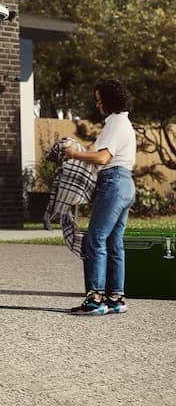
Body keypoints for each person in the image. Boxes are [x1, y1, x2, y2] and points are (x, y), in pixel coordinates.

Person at [63, 80, 136, 315]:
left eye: (99, 99)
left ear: (109, 100)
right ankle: (116, 298)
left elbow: (103, 158)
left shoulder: (115, 122)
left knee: (95, 238)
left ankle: (95, 299)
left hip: (113, 183)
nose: (97, 104)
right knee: (114, 241)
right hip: (126, 184)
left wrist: (73, 154)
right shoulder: (124, 122)